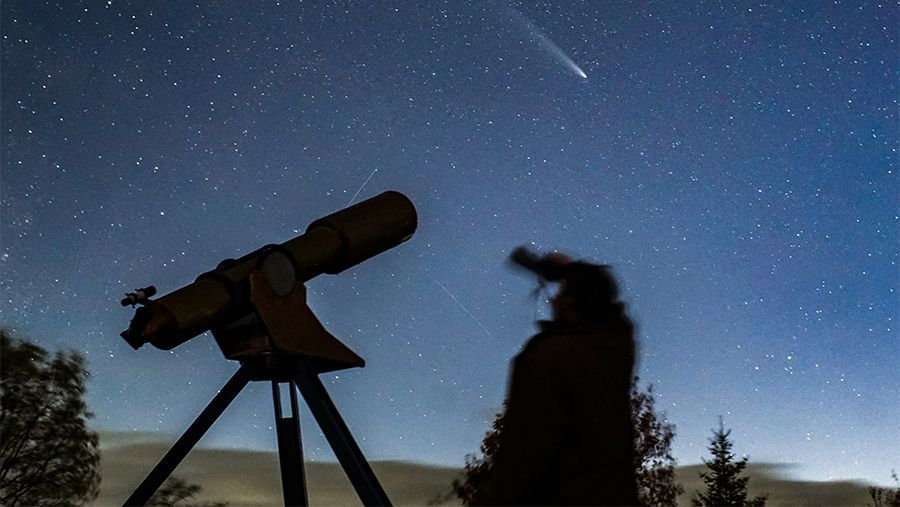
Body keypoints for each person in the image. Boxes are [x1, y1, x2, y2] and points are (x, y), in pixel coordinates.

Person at [486, 247, 639, 506]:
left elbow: (522, 460)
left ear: (568, 301)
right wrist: (574, 271)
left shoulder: (549, 357)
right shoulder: (615, 349)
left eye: (561, 293)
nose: (553, 299)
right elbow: (612, 315)